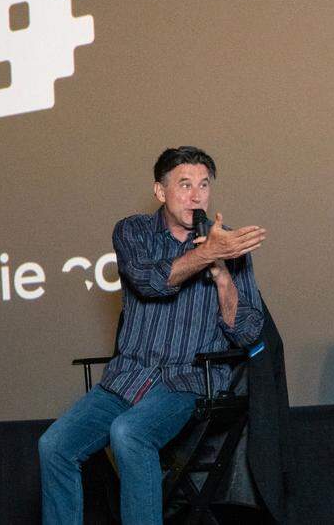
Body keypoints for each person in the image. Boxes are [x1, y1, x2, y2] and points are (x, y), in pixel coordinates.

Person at [38, 146, 267, 524]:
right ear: (160, 191)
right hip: (128, 377)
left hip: (188, 381)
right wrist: (205, 255)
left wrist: (223, 275)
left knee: (129, 433)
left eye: (204, 185)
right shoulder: (133, 232)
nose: (196, 196)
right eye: (185, 184)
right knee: (54, 446)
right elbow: (151, 282)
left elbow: (248, 331)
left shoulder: (227, 245)